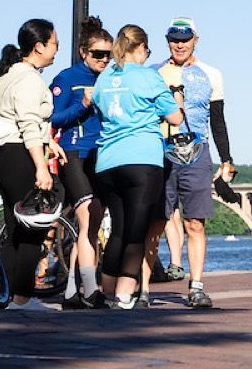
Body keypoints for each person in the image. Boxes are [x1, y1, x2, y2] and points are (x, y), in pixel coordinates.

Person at [90, 23, 189, 311]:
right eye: (147, 49)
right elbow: (174, 119)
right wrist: (177, 101)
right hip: (142, 161)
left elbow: (98, 109)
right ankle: (123, 295)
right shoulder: (149, 77)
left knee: (118, 229)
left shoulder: (105, 77)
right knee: (137, 231)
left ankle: (107, 292)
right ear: (140, 48)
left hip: (108, 162)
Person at [0, 19, 66, 313]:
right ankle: (22, 298)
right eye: (54, 43)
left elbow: (19, 120)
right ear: (39, 46)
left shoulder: (10, 76)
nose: (57, 49)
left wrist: (48, 142)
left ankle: (6, 296)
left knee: (14, 230)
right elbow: (29, 124)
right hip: (21, 157)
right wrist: (41, 167)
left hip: (4, 157)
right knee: (33, 230)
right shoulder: (29, 79)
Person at [154, 19, 238, 310]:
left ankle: (197, 286)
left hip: (197, 151)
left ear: (195, 40)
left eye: (185, 39)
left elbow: (218, 119)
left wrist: (226, 158)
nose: (179, 44)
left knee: (195, 223)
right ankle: (140, 290)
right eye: (173, 39)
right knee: (155, 221)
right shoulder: (154, 73)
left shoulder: (212, 74)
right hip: (160, 152)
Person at [47, 24, 113, 307]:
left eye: (109, 55)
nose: (104, 60)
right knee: (87, 220)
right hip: (75, 153)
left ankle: (73, 292)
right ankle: (90, 289)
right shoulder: (67, 78)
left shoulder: (110, 78)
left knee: (93, 224)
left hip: (102, 156)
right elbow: (53, 118)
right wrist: (83, 106)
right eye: (98, 54)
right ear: (83, 52)